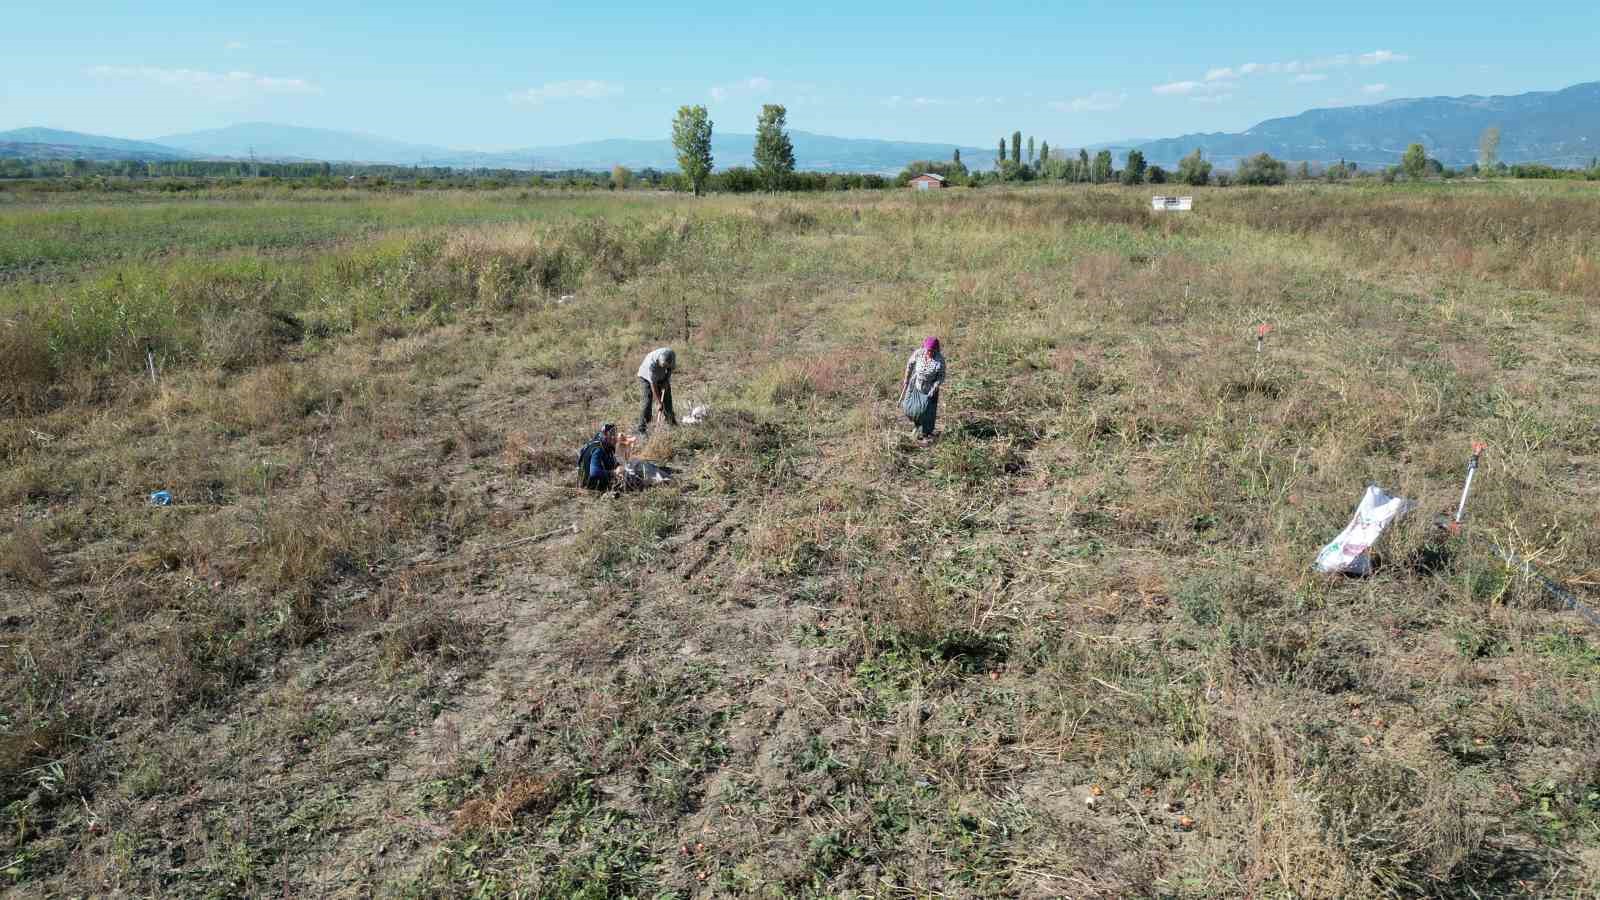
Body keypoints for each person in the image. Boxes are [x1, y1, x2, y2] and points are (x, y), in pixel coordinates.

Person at [901, 336, 946, 440]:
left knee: (925, 412)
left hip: (929, 388)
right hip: (915, 385)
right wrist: (906, 379)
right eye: (928, 350)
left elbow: (941, 377)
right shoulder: (919, 353)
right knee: (908, 408)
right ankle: (916, 424)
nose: (929, 353)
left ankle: (925, 433)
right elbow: (910, 365)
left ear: (936, 350)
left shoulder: (939, 360)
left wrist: (934, 388)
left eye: (932, 351)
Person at [636, 346, 678, 435]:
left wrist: (666, 380)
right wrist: (659, 402)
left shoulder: (671, 355)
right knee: (647, 401)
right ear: (659, 361)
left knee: (667, 399)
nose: (664, 367)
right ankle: (641, 429)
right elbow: (653, 385)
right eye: (663, 366)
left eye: (666, 366)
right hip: (646, 377)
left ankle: (672, 423)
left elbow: (670, 370)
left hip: (662, 376)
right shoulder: (651, 365)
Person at [578, 423, 627, 491]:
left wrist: (618, 466)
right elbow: (594, 472)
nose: (614, 438)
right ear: (605, 436)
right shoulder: (598, 449)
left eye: (615, 434)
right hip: (591, 487)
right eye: (612, 435)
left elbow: (612, 461)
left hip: (584, 483)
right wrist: (614, 473)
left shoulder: (597, 443)